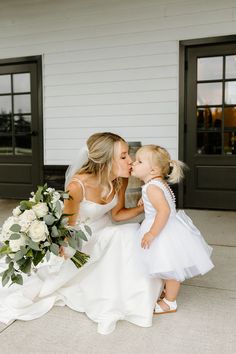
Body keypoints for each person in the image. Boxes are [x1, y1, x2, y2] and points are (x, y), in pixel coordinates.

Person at [0, 133, 162, 335]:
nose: (130, 160)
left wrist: (144, 208)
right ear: (104, 160)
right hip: (80, 238)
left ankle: (137, 292)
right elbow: (67, 227)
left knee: (130, 232)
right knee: (125, 236)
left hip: (105, 230)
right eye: (122, 156)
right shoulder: (77, 186)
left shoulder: (120, 180)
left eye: (128, 154)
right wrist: (68, 253)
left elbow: (117, 215)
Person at [131, 144, 214, 315]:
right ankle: (167, 292)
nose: (133, 163)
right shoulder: (156, 183)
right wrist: (144, 199)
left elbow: (164, 210)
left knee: (170, 269)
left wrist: (152, 233)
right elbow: (159, 202)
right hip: (170, 227)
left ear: (153, 170)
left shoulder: (152, 187)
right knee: (166, 265)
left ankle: (170, 302)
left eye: (139, 161)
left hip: (162, 230)